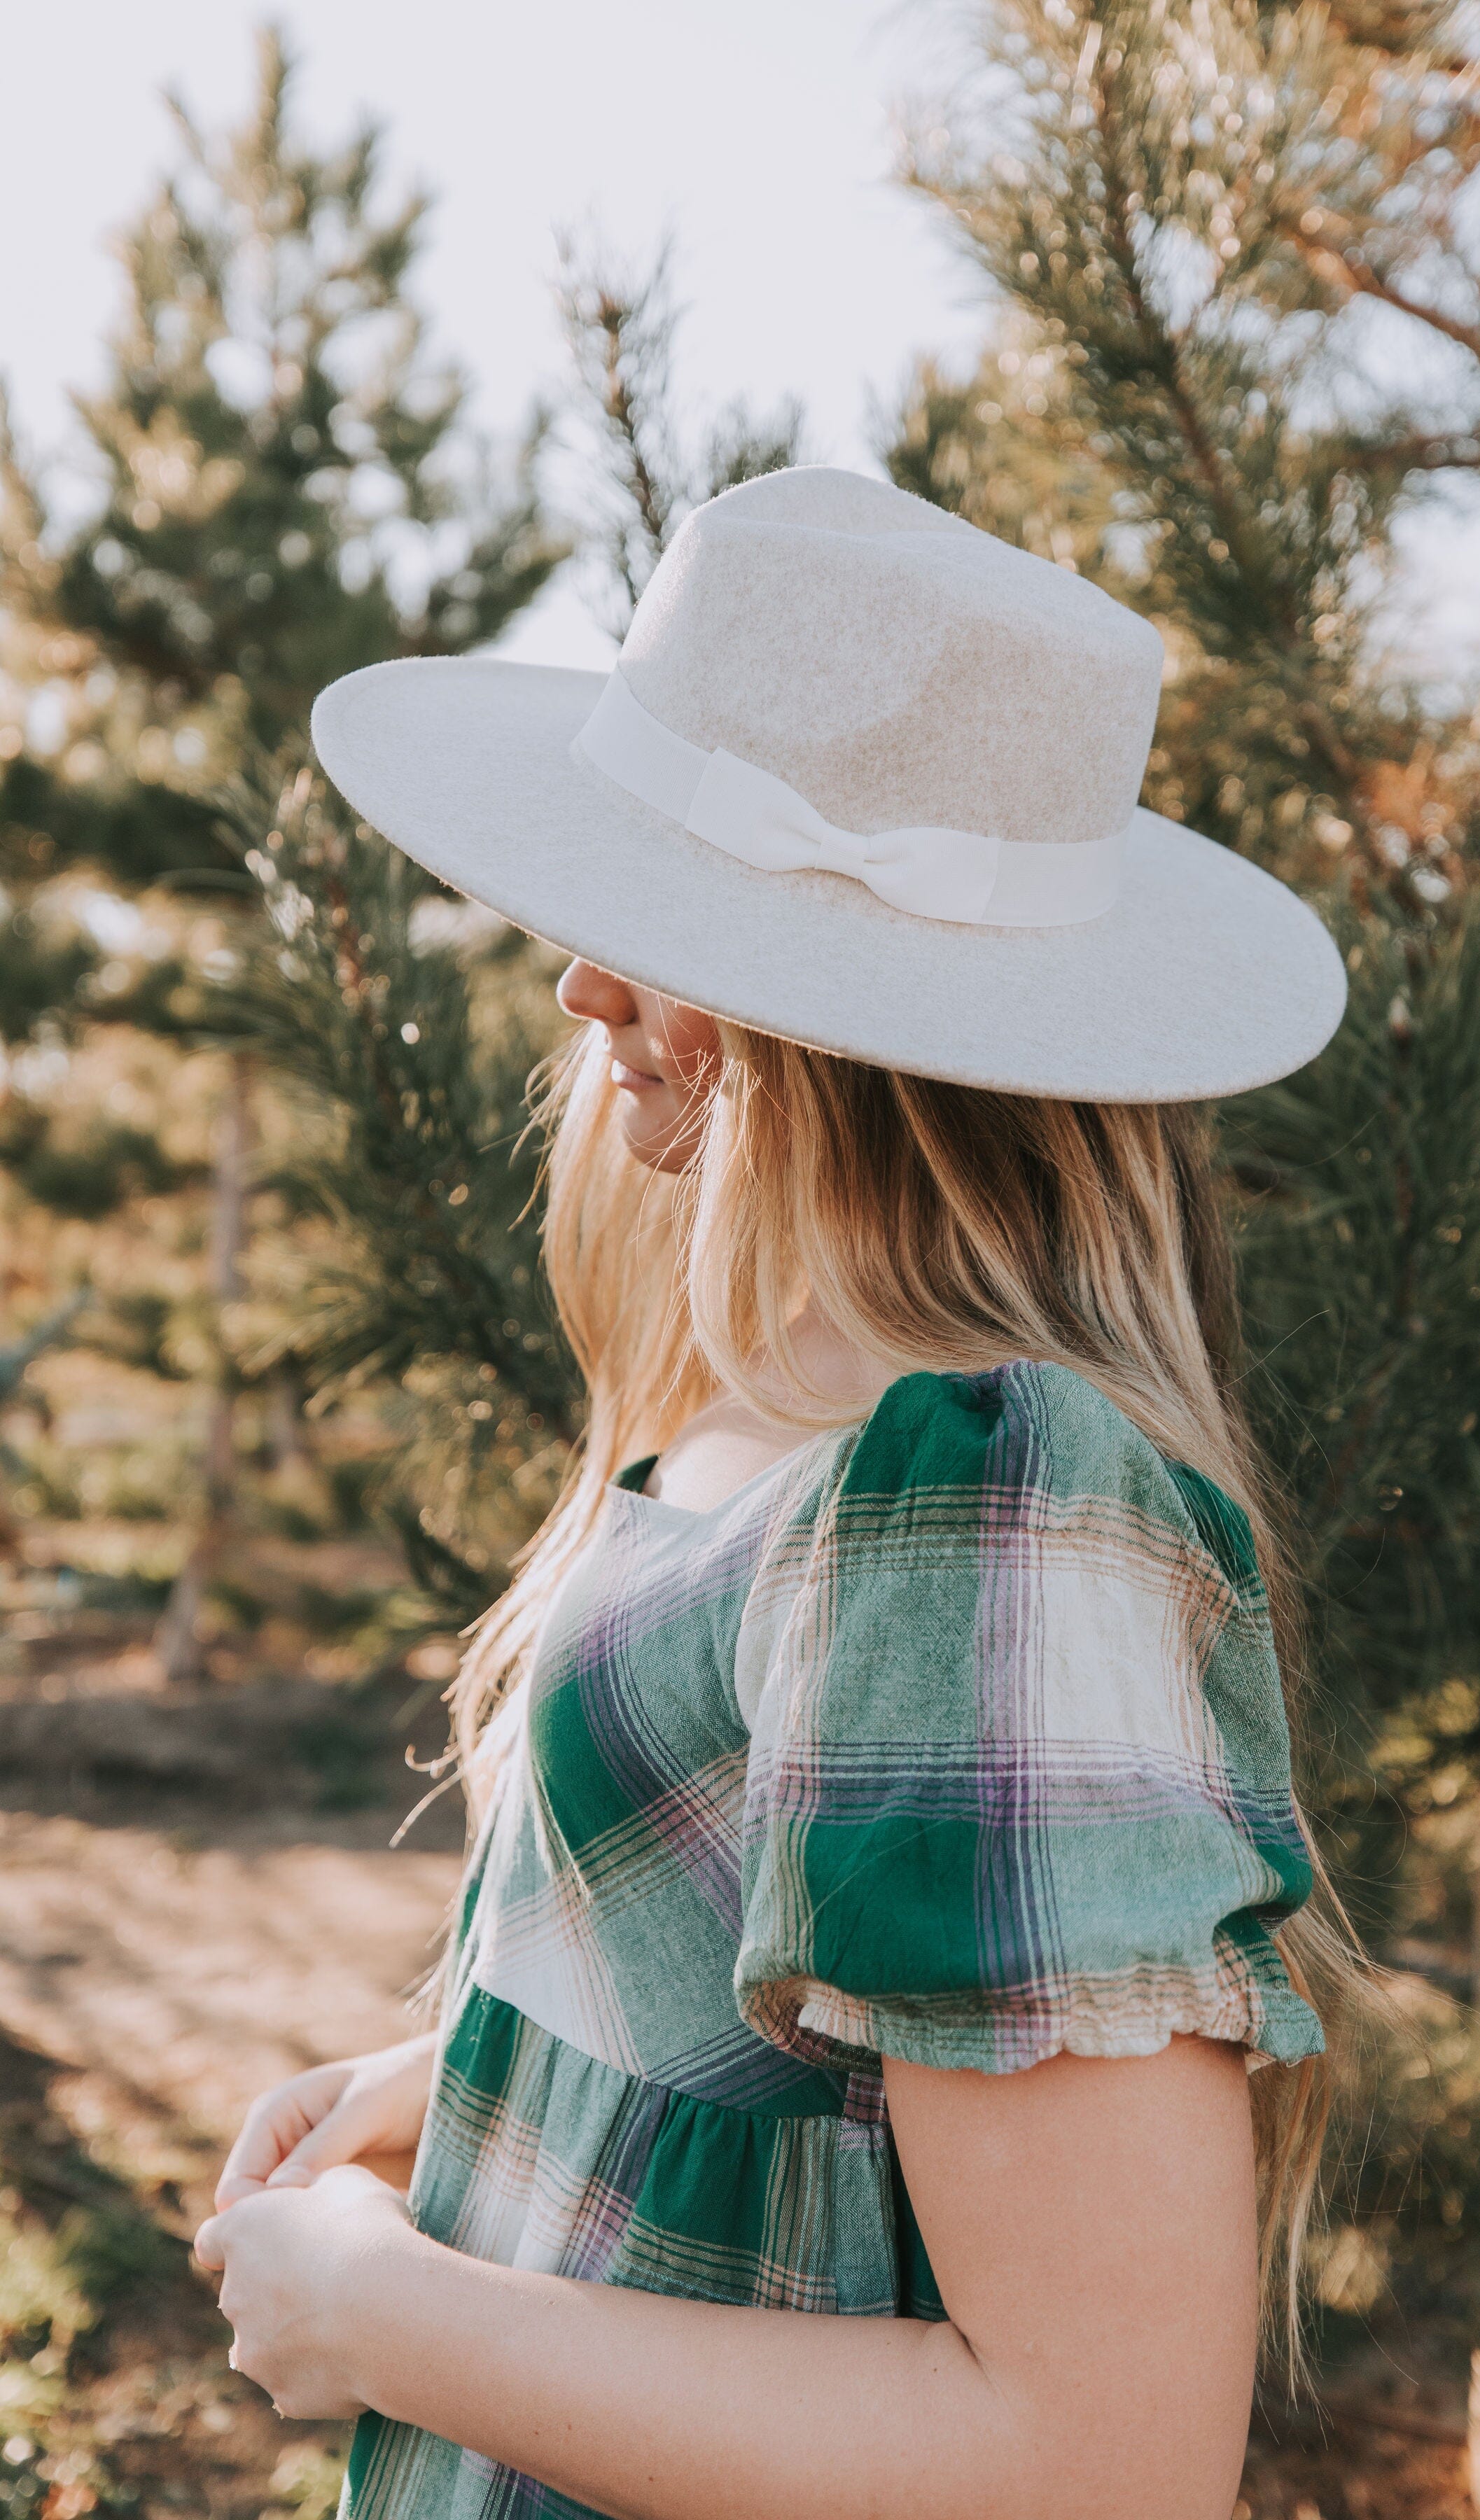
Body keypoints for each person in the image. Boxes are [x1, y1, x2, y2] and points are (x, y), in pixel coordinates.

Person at [195, 467, 1357, 2520]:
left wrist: (385, 2318)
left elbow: (1098, 2461)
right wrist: (461, 2086)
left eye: (662, 930)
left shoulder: (982, 1500)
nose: (578, 986)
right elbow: (799, 2057)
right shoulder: (796, 1414)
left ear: (857, 1028)